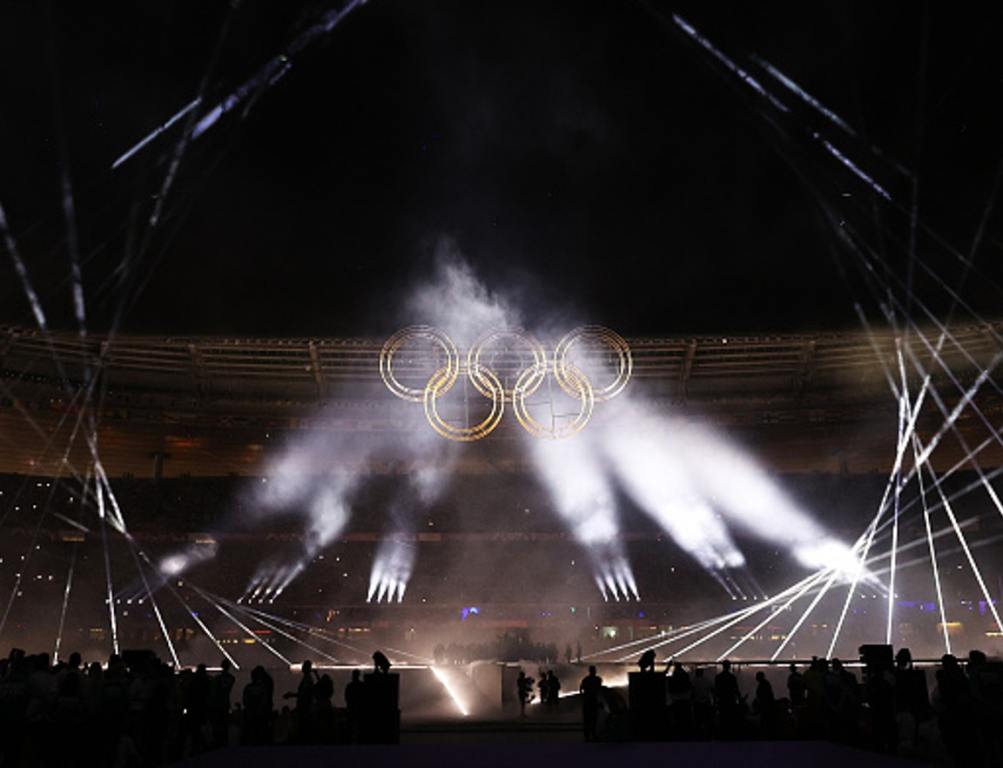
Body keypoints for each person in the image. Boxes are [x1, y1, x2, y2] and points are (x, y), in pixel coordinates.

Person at [209, 657, 235, 748]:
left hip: (218, 703)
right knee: (224, 724)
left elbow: (214, 691)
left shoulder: (217, 679)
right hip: (225, 702)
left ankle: (217, 741)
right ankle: (223, 741)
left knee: (217, 724)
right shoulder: (231, 678)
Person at [714, 660, 742, 739]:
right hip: (730, 700)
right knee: (730, 719)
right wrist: (739, 700)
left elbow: (716, 690)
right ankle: (730, 735)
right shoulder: (732, 677)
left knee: (723, 719)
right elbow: (736, 689)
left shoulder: (718, 677)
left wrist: (715, 701)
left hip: (722, 700)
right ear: (729, 667)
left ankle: (723, 735)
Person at [579, 665, 603, 741]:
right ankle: (593, 734)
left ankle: (587, 735)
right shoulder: (598, 679)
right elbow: (599, 690)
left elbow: (581, 689)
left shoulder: (586, 679)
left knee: (587, 719)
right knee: (593, 718)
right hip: (593, 700)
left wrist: (583, 696)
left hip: (587, 701)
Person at [344, 669, 365, 742]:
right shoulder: (362, 685)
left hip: (351, 708)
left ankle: (349, 740)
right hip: (359, 709)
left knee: (350, 726)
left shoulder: (349, 686)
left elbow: (346, 697)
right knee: (359, 726)